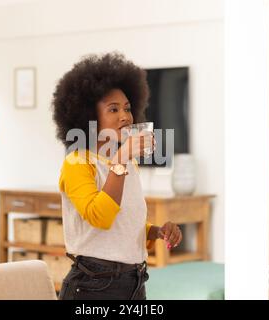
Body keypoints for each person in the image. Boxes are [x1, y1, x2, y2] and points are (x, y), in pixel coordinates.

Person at [52, 52, 182, 300]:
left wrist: (156, 231)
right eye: (113, 109)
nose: (125, 116)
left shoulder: (128, 162)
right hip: (93, 286)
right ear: (89, 116)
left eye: (127, 108)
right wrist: (120, 160)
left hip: (134, 282)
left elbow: (122, 225)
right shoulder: (77, 162)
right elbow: (100, 218)